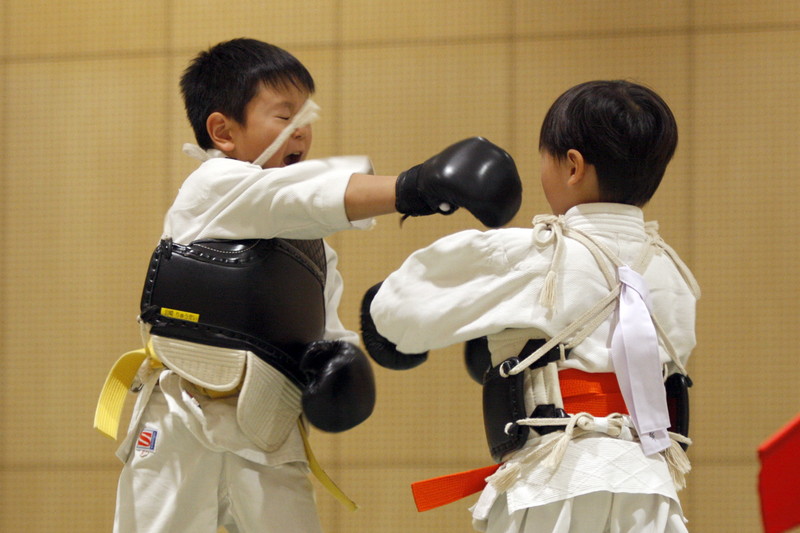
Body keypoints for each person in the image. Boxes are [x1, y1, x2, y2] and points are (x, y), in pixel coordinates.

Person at [93, 37, 521, 533]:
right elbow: (300, 196)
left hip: (268, 435)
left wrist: (337, 360)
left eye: (306, 118)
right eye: (285, 117)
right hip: (182, 425)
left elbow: (324, 324)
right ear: (223, 131)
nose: (302, 133)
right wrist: (416, 186)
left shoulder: (315, 249)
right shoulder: (214, 186)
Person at [362, 80, 701, 532]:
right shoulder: (675, 274)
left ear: (573, 166)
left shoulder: (534, 253)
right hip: (651, 490)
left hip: (555, 483)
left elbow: (393, 316)